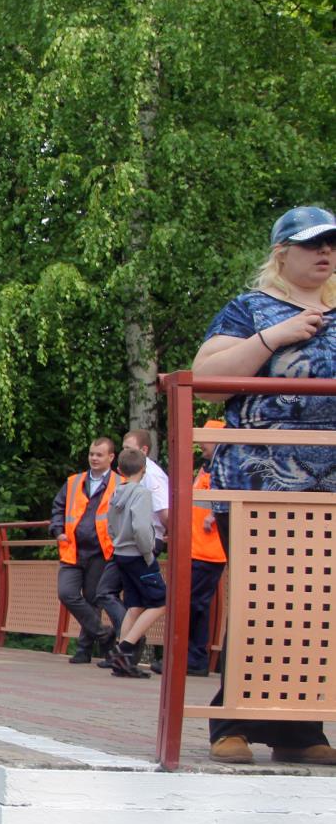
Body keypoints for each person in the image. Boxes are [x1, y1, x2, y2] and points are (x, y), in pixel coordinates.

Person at [190, 204, 336, 764]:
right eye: (311, 244)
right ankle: (232, 722)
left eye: (330, 245)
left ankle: (299, 728)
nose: (324, 253)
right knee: (263, 600)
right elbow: (204, 380)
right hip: (258, 480)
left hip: (328, 487)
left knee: (315, 605)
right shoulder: (250, 309)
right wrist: (276, 337)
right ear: (283, 254)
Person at [94, 429, 170, 669]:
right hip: (139, 554)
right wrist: (148, 552)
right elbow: (140, 526)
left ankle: (121, 659)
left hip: (121, 552)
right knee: (160, 601)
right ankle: (125, 648)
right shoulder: (143, 493)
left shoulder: (117, 491)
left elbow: (110, 524)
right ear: (144, 468)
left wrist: (117, 542)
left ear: (118, 470)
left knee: (135, 604)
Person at [49, 437, 119, 664]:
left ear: (111, 457)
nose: (94, 458)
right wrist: (57, 529)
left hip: (101, 550)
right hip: (72, 548)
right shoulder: (74, 482)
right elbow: (58, 507)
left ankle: (83, 650)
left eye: (99, 455)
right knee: (66, 593)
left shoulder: (120, 483)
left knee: (92, 599)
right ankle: (103, 633)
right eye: (92, 454)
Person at [183, 420, 228, 677]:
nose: (202, 447)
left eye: (205, 443)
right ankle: (192, 658)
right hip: (197, 547)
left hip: (210, 550)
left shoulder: (224, 471)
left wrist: (215, 514)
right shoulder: (207, 469)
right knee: (193, 604)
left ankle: (195, 658)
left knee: (196, 604)